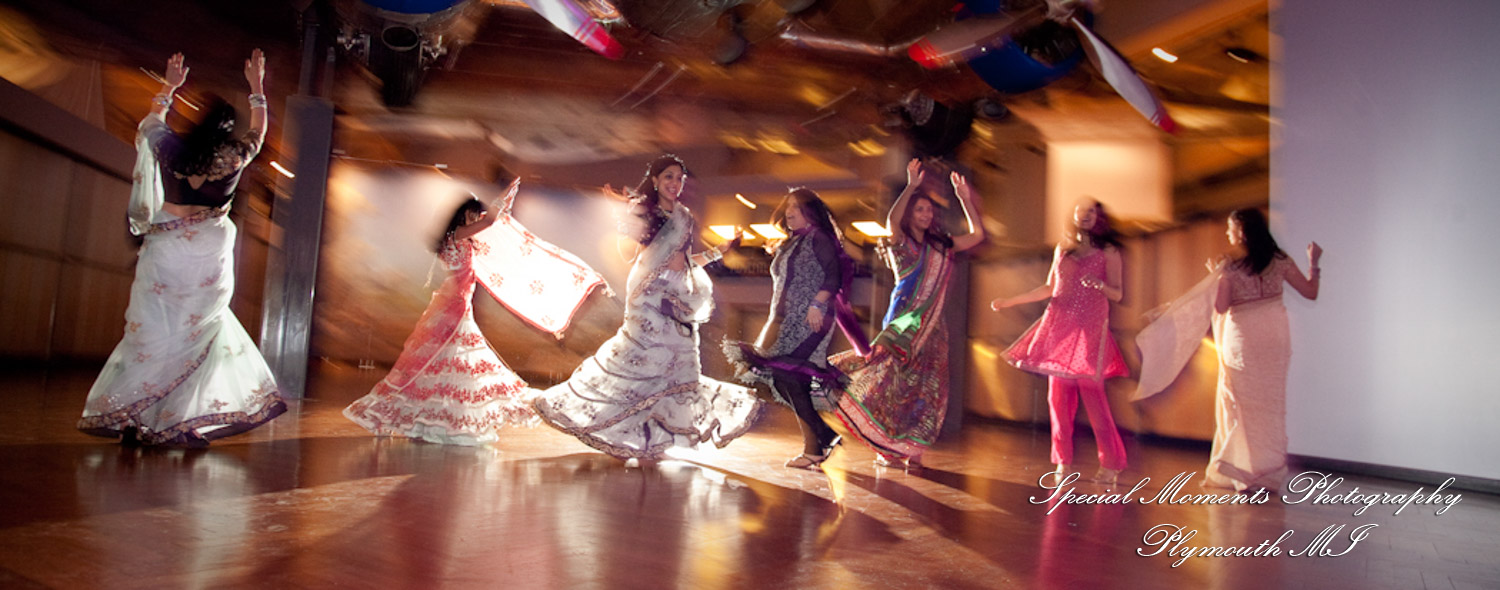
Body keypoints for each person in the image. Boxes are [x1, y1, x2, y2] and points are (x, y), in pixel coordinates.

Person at [77, 50, 286, 447]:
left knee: (152, 333)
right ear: (226, 129)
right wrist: (257, 87)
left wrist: (169, 88)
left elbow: (150, 123)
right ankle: (176, 423)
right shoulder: (233, 155)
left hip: (165, 249)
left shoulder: (170, 149)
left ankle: (132, 417)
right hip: (207, 254)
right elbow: (259, 133)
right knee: (196, 335)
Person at [531, 155, 761, 461]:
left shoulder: (684, 216)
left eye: (679, 179)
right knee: (640, 362)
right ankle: (593, 416)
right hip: (649, 297)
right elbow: (632, 254)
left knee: (680, 369)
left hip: (680, 296)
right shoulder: (648, 214)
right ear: (654, 180)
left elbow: (688, 262)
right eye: (668, 177)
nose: (675, 184)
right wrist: (630, 212)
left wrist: (721, 251)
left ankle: (655, 440)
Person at [343, 190, 545, 445]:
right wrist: (504, 197)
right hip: (454, 306)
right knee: (452, 364)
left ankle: (441, 423)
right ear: (465, 214)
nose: (476, 219)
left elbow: (489, 229)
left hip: (455, 303)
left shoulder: (458, 238)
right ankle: (435, 422)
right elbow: (489, 222)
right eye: (474, 215)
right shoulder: (457, 235)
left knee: (448, 366)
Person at [831, 159, 985, 469]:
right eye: (920, 210)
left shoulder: (942, 245)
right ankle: (885, 444)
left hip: (934, 328)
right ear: (910, 214)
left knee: (927, 387)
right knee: (892, 385)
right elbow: (892, 220)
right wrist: (912, 187)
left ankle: (912, 449)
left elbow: (977, 234)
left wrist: (965, 199)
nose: (926, 215)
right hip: (904, 322)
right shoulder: (901, 244)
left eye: (929, 210)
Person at [992, 199, 1128, 483]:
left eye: (1093, 211)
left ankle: (1111, 465)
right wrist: (1010, 301)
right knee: (1057, 400)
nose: (1087, 214)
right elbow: (1050, 287)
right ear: (1074, 215)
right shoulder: (1063, 250)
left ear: (1100, 218)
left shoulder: (1109, 252)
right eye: (1082, 209)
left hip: (1090, 329)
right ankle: (1062, 463)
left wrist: (1100, 285)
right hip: (1059, 329)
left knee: (1094, 399)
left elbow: (1117, 294)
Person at [725, 189, 858, 469]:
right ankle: (821, 438)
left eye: (797, 207)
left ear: (810, 212)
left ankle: (816, 444)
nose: (789, 211)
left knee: (787, 374)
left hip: (811, 319)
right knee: (783, 378)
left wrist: (817, 305)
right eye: (788, 206)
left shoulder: (820, 238)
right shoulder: (791, 242)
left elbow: (832, 277)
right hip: (783, 321)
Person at [1197, 209, 1320, 491]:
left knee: (1240, 405)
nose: (1227, 235)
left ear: (1241, 230)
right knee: (1270, 406)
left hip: (1244, 340)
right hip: (1275, 337)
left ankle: (1242, 473)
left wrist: (1214, 277)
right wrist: (1314, 264)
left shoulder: (1229, 265)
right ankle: (1265, 474)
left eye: (1230, 229)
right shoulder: (1280, 260)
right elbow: (1311, 291)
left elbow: (1221, 307)